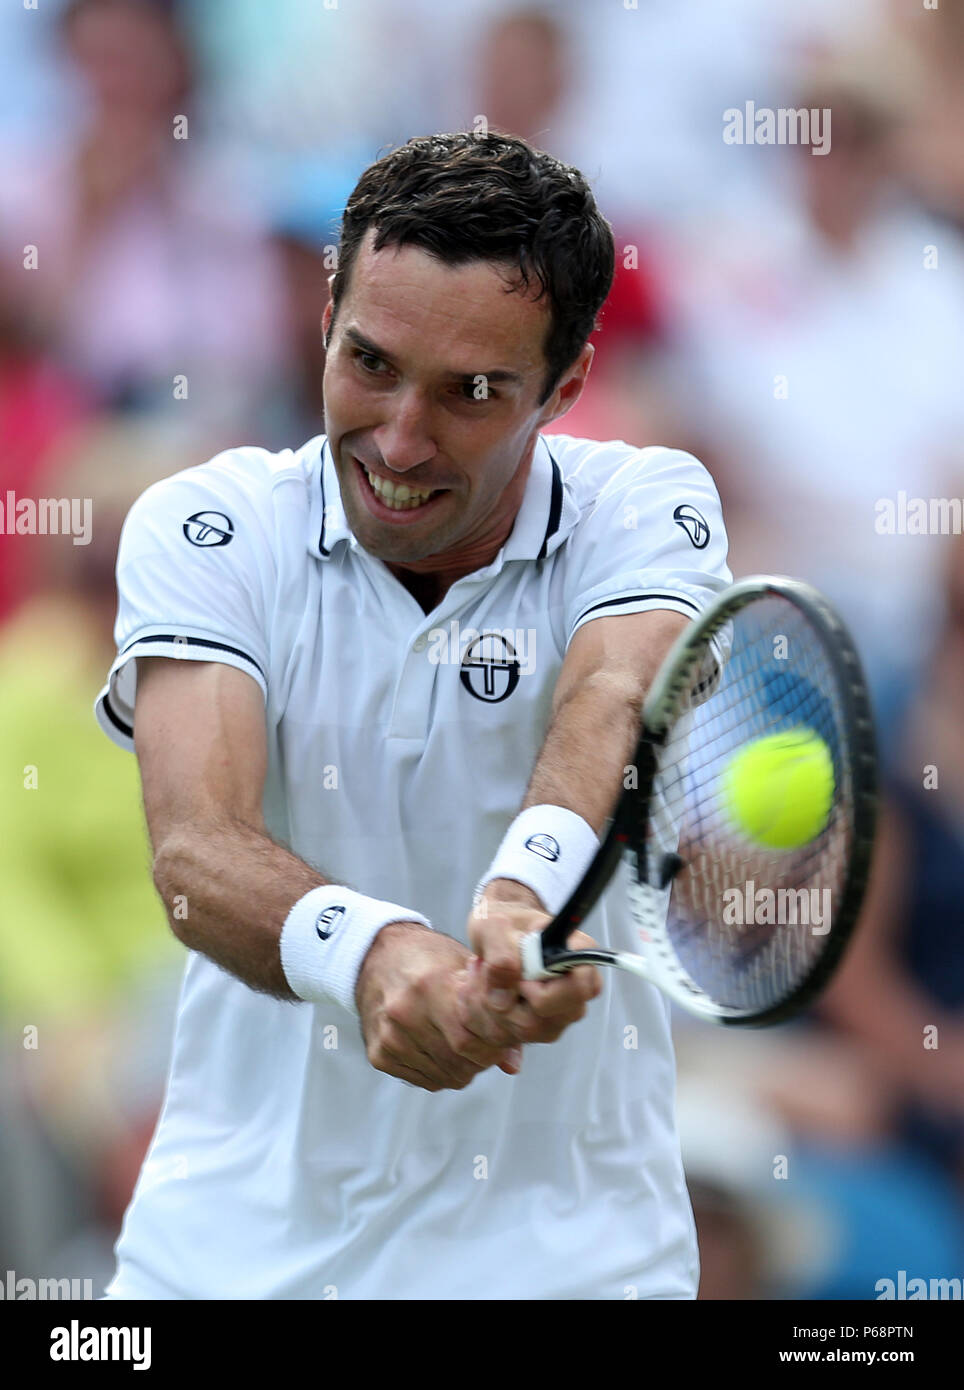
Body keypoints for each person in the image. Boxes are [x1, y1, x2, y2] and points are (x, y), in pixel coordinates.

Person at [93, 131, 731, 1300]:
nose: (397, 440)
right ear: (327, 311)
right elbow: (193, 849)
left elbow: (613, 692)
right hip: (220, 1262)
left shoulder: (645, 504)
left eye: (471, 392)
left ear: (567, 385)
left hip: (569, 1263)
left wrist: (521, 898)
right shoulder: (207, 523)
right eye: (370, 362)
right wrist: (377, 956)